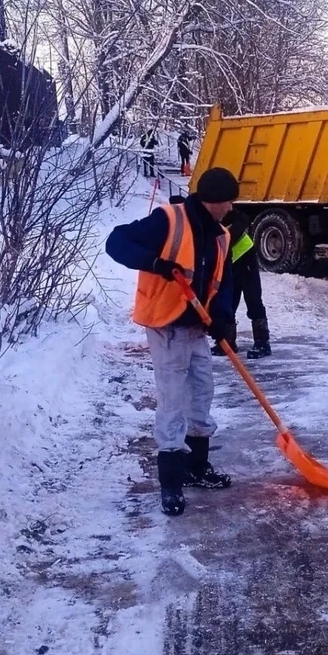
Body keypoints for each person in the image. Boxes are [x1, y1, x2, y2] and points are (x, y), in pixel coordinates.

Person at [105, 167, 239, 516]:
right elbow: (116, 242)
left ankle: (197, 467)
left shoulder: (222, 235)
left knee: (202, 392)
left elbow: (223, 282)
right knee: (172, 400)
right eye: (228, 201)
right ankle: (171, 483)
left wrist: (223, 316)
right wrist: (154, 263)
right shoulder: (168, 219)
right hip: (166, 325)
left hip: (197, 327)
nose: (231, 208)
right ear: (213, 199)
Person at [213, 207, 272, 360]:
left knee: (253, 299)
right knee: (228, 301)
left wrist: (228, 239)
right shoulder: (203, 218)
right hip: (228, 261)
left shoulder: (224, 211)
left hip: (245, 256)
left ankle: (262, 343)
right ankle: (227, 342)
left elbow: (243, 219)